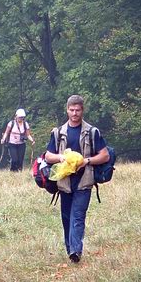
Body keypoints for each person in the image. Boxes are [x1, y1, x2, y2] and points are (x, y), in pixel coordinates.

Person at [44, 95, 109, 264]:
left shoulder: (92, 132)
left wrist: (86, 161)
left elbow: (104, 155)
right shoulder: (58, 133)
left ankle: (75, 251)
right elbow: (48, 155)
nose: (74, 113)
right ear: (67, 110)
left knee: (78, 216)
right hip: (64, 183)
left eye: (77, 110)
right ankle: (70, 249)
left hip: (84, 182)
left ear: (82, 110)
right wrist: (61, 158)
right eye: (71, 110)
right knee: (66, 218)